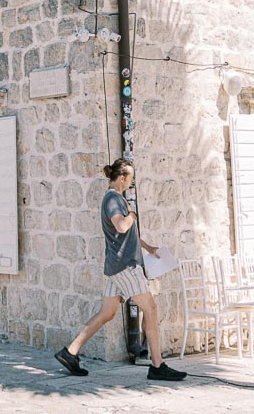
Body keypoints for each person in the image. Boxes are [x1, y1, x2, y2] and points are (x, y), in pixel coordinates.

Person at [55, 158, 186, 381]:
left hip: (115, 266)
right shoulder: (114, 199)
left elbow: (127, 234)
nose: (131, 182)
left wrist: (148, 247)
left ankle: (70, 352)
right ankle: (157, 365)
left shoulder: (114, 199)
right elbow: (122, 226)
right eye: (130, 178)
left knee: (107, 313)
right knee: (151, 309)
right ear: (122, 177)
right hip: (126, 266)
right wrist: (132, 215)